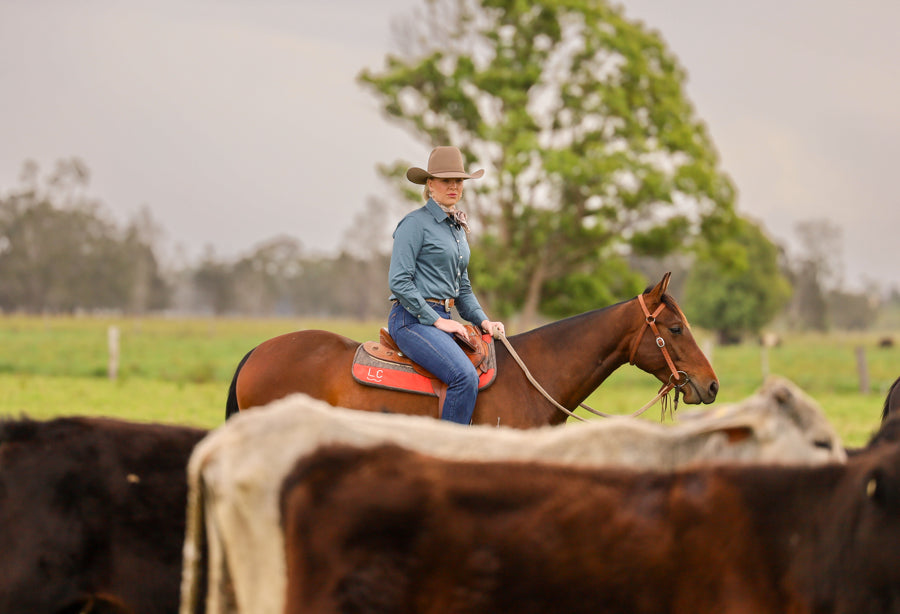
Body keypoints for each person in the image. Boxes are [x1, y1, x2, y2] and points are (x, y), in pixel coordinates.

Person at [388, 146, 505, 425]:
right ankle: (448, 457)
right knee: (463, 377)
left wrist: (484, 321)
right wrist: (437, 322)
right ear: (430, 184)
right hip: (411, 320)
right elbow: (399, 281)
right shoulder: (415, 224)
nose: (453, 186)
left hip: (444, 317)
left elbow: (463, 290)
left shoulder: (456, 230)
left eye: (459, 180)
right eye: (445, 180)